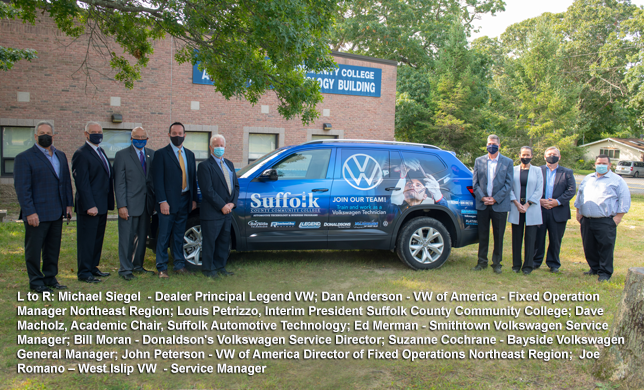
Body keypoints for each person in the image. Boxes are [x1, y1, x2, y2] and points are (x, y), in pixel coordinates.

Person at [14, 121, 73, 293]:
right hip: (37, 213)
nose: (45, 135)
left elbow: (66, 182)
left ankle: (50, 277)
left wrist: (68, 205)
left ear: (53, 136)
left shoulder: (60, 155)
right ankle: (36, 281)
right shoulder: (24, 158)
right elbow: (22, 189)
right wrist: (29, 211)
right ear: (35, 136)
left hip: (57, 212)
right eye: (41, 133)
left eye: (48, 133)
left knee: (52, 248)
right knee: (33, 250)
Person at [151, 122, 198, 278]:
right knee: (164, 235)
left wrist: (193, 200)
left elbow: (192, 179)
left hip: (185, 200)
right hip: (168, 202)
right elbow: (157, 180)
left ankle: (179, 264)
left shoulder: (190, 155)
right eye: (174, 133)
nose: (177, 136)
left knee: (179, 234)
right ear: (169, 135)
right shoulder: (161, 154)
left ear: (185, 135)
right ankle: (162, 267)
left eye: (180, 133)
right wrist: (162, 201)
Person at [574, 155, 630, 282]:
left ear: (610, 165)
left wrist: (618, 218)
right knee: (589, 246)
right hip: (587, 219)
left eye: (604, 163)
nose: (601, 165)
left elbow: (624, 199)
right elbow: (580, 196)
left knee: (605, 247)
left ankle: (605, 272)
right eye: (599, 163)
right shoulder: (588, 178)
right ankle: (594, 268)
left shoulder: (617, 180)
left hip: (605, 220)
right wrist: (578, 212)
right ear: (595, 164)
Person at [72, 121, 115, 283]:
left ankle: (92, 267)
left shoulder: (100, 151)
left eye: (99, 131)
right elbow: (82, 183)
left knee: (97, 238)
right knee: (87, 240)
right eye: (93, 131)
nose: (97, 134)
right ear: (86, 134)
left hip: (102, 205)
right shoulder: (81, 154)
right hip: (89, 207)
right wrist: (90, 205)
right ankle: (84, 272)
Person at [113, 127, 155, 281]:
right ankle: (125, 269)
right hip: (129, 205)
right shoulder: (122, 155)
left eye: (143, 136)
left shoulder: (151, 154)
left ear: (147, 138)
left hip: (146, 205)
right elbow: (119, 183)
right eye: (136, 136)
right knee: (127, 238)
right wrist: (121, 206)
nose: (140, 139)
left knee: (142, 237)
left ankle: (138, 265)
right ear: (131, 138)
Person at [197, 134, 239, 278]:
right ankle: (208, 270)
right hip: (212, 212)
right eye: (216, 145)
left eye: (221, 145)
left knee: (223, 241)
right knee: (210, 242)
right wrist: (222, 205)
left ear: (225, 147)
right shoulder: (204, 166)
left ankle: (221, 267)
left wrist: (232, 203)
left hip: (227, 211)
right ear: (210, 147)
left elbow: (236, 186)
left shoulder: (229, 164)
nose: (219, 148)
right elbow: (207, 190)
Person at [471, 134, 514, 274]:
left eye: (494, 144)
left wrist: (495, 198)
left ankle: (497, 263)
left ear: (499, 145)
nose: (491, 146)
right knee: (483, 234)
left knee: (498, 235)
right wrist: (483, 197)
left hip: (499, 205)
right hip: (483, 204)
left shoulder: (507, 162)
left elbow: (508, 184)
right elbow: (475, 183)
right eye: (489, 143)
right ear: (486, 145)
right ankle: (481, 261)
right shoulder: (479, 161)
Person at [533, 147, 576, 273]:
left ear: (559, 156)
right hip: (540, 209)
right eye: (549, 154)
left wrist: (556, 202)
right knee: (538, 238)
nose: (552, 156)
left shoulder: (567, 172)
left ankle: (553, 263)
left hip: (558, 211)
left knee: (555, 239)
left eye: (555, 154)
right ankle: (535, 261)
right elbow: (531, 187)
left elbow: (571, 190)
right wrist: (539, 200)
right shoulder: (537, 170)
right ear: (544, 157)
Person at [508, 146, 543, 275]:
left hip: (531, 208)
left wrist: (527, 204)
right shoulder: (513, 170)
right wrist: (517, 203)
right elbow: (509, 188)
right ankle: (516, 264)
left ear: (532, 156)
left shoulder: (538, 171)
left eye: (528, 155)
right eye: (523, 154)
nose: (526, 157)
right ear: (519, 155)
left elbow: (539, 189)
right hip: (516, 207)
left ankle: (528, 266)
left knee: (530, 238)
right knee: (516, 238)